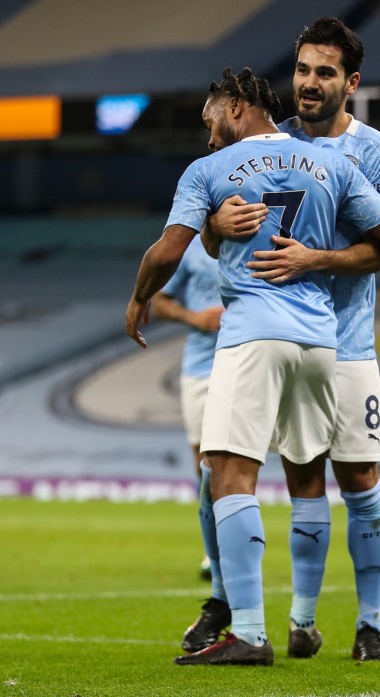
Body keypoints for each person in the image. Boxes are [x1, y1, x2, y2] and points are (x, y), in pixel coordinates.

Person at [126, 66, 380, 667]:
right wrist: (325, 247)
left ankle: (249, 631)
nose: (207, 138)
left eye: (210, 121)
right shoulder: (329, 162)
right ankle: (303, 622)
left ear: (234, 108)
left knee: (227, 473)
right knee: (307, 476)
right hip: (320, 343)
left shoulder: (208, 171)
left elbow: (166, 252)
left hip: (253, 334)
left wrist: (139, 296)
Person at [202, 17, 380, 661]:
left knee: (360, 477)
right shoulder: (269, 141)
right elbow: (215, 242)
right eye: (301, 70)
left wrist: (313, 260)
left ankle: (371, 624)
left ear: (351, 82)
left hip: (346, 341)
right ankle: (296, 620)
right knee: (292, 477)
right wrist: (215, 219)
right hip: (282, 338)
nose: (309, 84)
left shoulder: (374, 152)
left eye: (325, 73)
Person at [150, 237, 223, 583]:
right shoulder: (190, 248)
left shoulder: (261, 234)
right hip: (199, 367)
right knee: (204, 463)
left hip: (248, 360)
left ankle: (236, 546)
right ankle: (214, 549)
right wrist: (194, 316)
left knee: (235, 458)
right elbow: (159, 301)